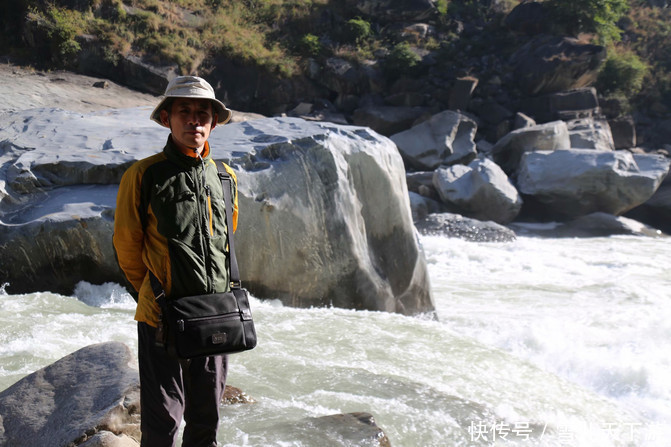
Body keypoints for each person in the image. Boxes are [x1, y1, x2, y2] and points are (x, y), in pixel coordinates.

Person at [113, 75, 239, 447]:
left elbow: (227, 243)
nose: (194, 120)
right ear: (167, 118)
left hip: (214, 314)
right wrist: (153, 295)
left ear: (214, 122)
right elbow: (126, 246)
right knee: (163, 422)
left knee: (206, 422)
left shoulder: (226, 177)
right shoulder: (144, 175)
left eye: (203, 112)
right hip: (161, 317)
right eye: (184, 111)